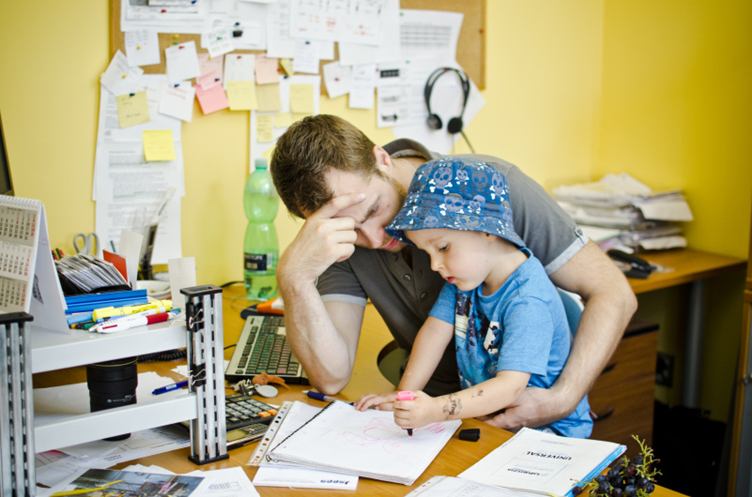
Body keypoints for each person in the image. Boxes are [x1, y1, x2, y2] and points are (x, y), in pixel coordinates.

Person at [270, 114, 636, 430]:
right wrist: (293, 277)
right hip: (444, 417)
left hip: (533, 412)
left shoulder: (487, 193)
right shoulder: (339, 242)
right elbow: (331, 378)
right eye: (351, 231)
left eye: (374, 210)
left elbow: (614, 294)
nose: (375, 239)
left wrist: (563, 399)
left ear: (381, 159)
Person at [354, 159, 593, 438]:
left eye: (443, 247)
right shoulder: (464, 280)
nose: (434, 265)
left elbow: (510, 386)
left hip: (548, 433)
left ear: (487, 231)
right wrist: (403, 396)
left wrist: (436, 409)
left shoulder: (527, 300)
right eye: (427, 252)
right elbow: (433, 333)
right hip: (493, 420)